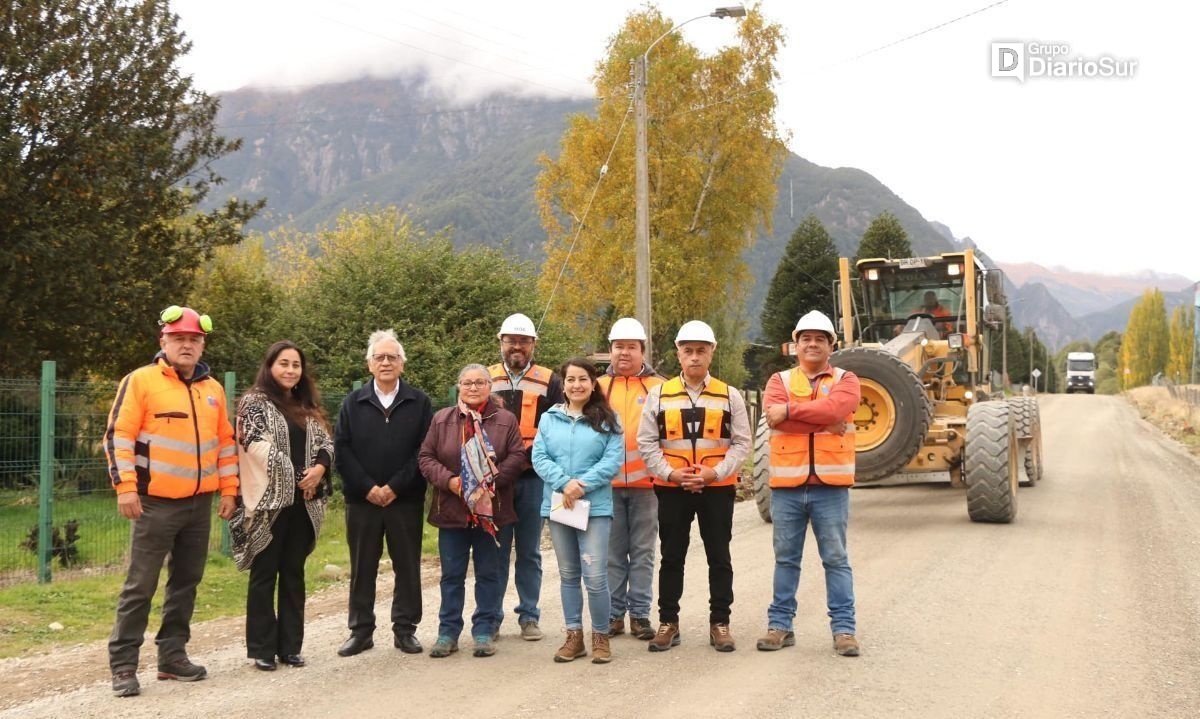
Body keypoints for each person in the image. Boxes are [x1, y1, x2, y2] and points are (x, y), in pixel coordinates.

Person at [103, 305, 238, 697]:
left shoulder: (212, 390)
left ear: (202, 345)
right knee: (140, 586)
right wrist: (125, 487)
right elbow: (118, 437)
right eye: (179, 338)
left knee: (186, 582)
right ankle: (124, 665)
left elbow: (225, 444)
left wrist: (228, 491)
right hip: (154, 504)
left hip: (198, 506)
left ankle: (172, 656)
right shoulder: (140, 381)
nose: (187, 345)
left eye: (194, 340)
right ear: (163, 341)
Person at [636, 320, 751, 653]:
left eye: (701, 350)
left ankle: (720, 623)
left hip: (717, 489)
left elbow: (742, 443)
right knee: (672, 557)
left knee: (720, 557)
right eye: (688, 351)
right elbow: (646, 442)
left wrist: (716, 473)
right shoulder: (659, 394)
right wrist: (670, 475)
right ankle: (668, 622)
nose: (695, 357)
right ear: (678, 353)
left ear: (712, 352)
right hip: (673, 489)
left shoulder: (730, 395)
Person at [756, 310, 862, 657]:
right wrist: (823, 419)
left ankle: (844, 630)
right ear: (795, 344)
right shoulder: (778, 382)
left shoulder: (848, 379)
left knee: (836, 559)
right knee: (786, 559)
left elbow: (837, 409)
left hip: (830, 487)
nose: (812, 344)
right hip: (787, 488)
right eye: (806, 338)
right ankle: (780, 627)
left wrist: (792, 413)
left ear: (832, 345)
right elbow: (778, 418)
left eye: (820, 338)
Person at [230, 341, 334, 671]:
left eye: (296, 365)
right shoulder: (253, 403)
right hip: (268, 503)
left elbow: (326, 443)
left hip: (303, 504)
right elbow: (255, 445)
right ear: (270, 366)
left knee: (293, 573)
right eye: (283, 364)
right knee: (264, 575)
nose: (290, 370)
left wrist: (319, 469)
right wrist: (294, 475)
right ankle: (261, 648)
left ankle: (290, 647)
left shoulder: (306, 405)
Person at [334, 329, 433, 657]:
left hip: (404, 499)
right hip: (362, 501)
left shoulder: (419, 402)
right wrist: (368, 487)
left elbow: (423, 450)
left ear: (402, 365)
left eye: (392, 357)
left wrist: (394, 487)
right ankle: (361, 630)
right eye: (380, 357)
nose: (386, 362)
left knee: (407, 565)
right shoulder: (353, 402)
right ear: (369, 364)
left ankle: (405, 629)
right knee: (362, 566)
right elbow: (342, 449)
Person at [418, 364, 526, 659]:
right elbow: (426, 457)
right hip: (452, 510)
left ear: (490, 386)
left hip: (492, 511)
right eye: (467, 383)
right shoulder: (442, 419)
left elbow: (518, 455)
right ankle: (447, 632)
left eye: (480, 382)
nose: (473, 388)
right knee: (451, 574)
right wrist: (450, 481)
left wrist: (490, 481)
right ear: (459, 386)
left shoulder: (505, 419)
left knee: (488, 573)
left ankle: (484, 629)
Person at [532, 358, 624, 663]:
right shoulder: (548, 419)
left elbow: (611, 462)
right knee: (569, 574)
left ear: (593, 382)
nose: (576, 385)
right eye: (570, 379)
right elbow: (540, 457)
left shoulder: (609, 421)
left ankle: (601, 636)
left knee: (595, 576)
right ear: (563, 384)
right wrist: (564, 483)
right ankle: (574, 636)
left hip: (594, 507)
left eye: (583, 379)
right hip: (561, 503)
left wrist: (580, 484)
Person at [488, 313, 564, 641]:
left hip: (535, 479)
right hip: (495, 481)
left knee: (530, 550)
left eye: (523, 341)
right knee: (495, 551)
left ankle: (529, 615)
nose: (516, 346)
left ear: (534, 343)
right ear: (500, 342)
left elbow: (562, 428)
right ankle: (490, 617)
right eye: (511, 340)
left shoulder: (551, 381)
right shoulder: (484, 378)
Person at [597, 318, 663, 641]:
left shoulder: (658, 388)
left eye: (631, 347)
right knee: (611, 553)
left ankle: (639, 614)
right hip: (605, 487)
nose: (624, 353)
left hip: (648, 487)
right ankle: (612, 615)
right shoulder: (596, 387)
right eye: (618, 346)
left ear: (643, 351)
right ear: (610, 350)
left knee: (642, 552)